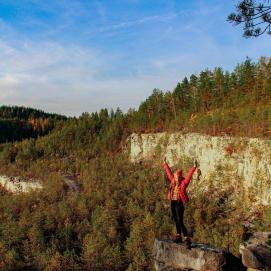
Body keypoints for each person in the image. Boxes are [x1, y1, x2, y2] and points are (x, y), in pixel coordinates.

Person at [163, 157, 198, 245]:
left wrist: (194, 167)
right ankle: (178, 235)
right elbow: (168, 173)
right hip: (173, 202)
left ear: (180, 177)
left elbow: (189, 175)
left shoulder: (184, 182)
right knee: (176, 219)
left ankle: (186, 238)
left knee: (180, 220)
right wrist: (165, 164)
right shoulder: (172, 181)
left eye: (177, 177)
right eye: (175, 177)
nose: (176, 179)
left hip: (179, 203)